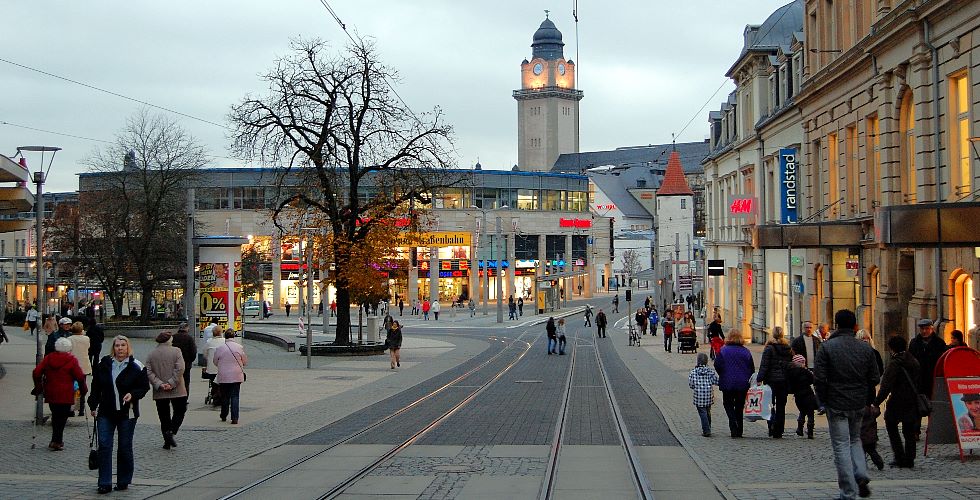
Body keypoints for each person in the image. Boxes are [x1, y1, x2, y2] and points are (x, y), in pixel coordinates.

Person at [814, 309, 880, 500]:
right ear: (854, 326)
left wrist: (823, 400)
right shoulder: (866, 348)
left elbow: (819, 378)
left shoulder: (827, 347)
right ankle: (861, 472)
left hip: (836, 402)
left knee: (841, 445)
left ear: (836, 324)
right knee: (855, 439)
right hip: (858, 402)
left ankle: (848, 492)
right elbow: (874, 377)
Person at [88, 335, 150, 494]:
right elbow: (96, 387)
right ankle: (104, 482)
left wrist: (133, 395)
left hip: (126, 413)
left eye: (123, 345)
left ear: (128, 347)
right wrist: (93, 404)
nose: (120, 348)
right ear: (113, 348)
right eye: (117, 345)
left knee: (124, 446)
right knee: (105, 445)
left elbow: (144, 387)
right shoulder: (104, 364)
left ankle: (123, 480)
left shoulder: (137, 366)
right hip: (105, 412)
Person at [873, 335, 922, 469]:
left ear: (892, 348)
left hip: (897, 400)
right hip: (911, 400)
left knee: (891, 425)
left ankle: (899, 456)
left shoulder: (895, 363)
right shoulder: (913, 360)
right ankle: (910, 458)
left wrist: (877, 402)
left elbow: (886, 385)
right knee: (909, 430)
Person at [33, 337, 87, 451]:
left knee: (56, 415)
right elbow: (80, 376)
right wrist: (83, 389)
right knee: (62, 417)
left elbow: (37, 372)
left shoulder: (48, 358)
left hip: (51, 392)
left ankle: (55, 440)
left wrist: (38, 387)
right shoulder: (71, 360)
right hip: (66, 393)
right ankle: (57, 441)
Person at [145, 332, 186, 449]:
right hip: (177, 387)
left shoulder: (151, 354)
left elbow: (148, 371)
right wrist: (171, 383)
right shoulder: (176, 351)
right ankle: (171, 431)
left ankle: (167, 440)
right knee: (180, 410)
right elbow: (180, 368)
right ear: (169, 340)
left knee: (163, 415)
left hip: (160, 390)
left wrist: (159, 384)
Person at [713, 329, 754, 438]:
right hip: (742, 384)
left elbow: (717, 365)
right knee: (739, 406)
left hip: (728, 382)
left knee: (728, 404)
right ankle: (739, 430)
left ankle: (732, 422)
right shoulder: (746, 352)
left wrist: (723, 374)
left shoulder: (723, 351)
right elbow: (752, 369)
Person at [757, 326, 793, 439]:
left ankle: (771, 426)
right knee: (781, 406)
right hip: (784, 381)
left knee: (770, 404)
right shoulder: (788, 348)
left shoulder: (769, 348)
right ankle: (779, 430)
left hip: (771, 381)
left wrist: (759, 378)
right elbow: (790, 366)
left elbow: (764, 365)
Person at [213, 330, 247, 424]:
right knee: (235, 396)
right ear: (234, 336)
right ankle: (235, 417)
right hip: (236, 375)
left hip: (224, 375)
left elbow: (215, 361)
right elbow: (244, 361)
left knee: (224, 396)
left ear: (225, 336)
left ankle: (224, 415)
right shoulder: (239, 347)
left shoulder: (220, 348)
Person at [908, 318, 948, 398]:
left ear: (932, 329)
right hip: (919, 379)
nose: (924, 331)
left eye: (927, 328)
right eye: (922, 329)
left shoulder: (939, 343)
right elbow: (910, 360)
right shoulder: (914, 343)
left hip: (933, 378)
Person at [689, 353, 719, 437]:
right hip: (708, 396)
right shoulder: (710, 371)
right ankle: (708, 427)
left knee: (702, 413)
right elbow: (716, 381)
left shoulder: (693, 372)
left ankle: (706, 430)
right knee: (708, 412)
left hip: (698, 396)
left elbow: (691, 384)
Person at [788, 354, 817, 439]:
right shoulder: (805, 371)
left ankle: (800, 428)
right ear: (802, 363)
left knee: (802, 412)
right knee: (810, 414)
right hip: (808, 395)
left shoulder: (791, 372)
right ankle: (810, 432)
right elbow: (813, 380)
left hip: (798, 396)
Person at [68, 321, 92, 416]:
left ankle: (73, 408)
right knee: (82, 387)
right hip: (84, 366)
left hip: (73, 366)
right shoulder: (86, 339)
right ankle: (81, 409)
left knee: (73, 388)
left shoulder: (69, 339)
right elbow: (88, 347)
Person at [170, 323, 197, 401]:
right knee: (186, 381)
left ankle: (175, 396)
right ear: (186, 329)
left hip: (174, 364)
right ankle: (184, 397)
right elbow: (193, 351)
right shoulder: (189, 338)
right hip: (186, 364)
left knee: (174, 379)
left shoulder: (173, 337)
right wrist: (190, 360)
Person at [204, 326, 226, 405]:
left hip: (211, 368)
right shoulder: (224, 341)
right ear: (221, 332)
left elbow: (205, 354)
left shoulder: (209, 342)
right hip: (222, 368)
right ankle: (221, 395)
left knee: (213, 382)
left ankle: (215, 394)